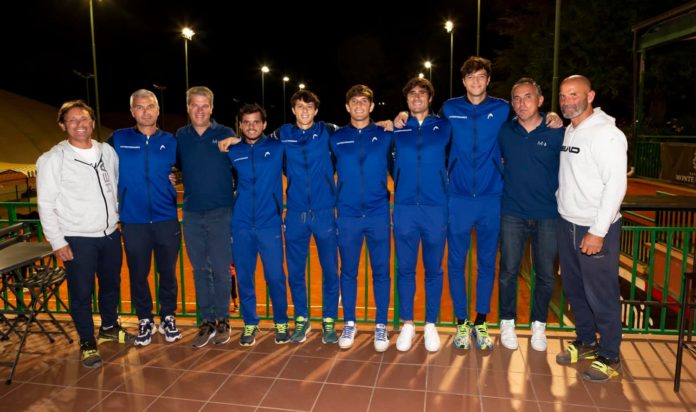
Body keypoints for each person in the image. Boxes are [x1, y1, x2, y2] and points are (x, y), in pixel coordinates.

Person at [396, 56, 561, 351]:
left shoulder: (502, 108)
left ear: (488, 80)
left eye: (481, 76)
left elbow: (526, 116)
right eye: (470, 77)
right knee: (456, 263)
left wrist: (551, 115)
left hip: (491, 198)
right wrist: (399, 116)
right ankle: (462, 322)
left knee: (487, 264)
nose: (476, 82)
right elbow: (425, 124)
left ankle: (481, 321)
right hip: (457, 199)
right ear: (463, 81)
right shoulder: (450, 109)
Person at [37, 100, 134, 369]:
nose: (80, 124)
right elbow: (45, 204)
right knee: (81, 292)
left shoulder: (107, 152)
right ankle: (87, 341)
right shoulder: (53, 159)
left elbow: (116, 183)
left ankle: (109, 327)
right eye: (73, 120)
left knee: (111, 286)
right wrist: (57, 241)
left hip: (110, 234)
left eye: (84, 119)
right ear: (63, 126)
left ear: (92, 122)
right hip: (77, 238)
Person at [555, 75, 627, 382]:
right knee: (574, 290)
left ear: (591, 96)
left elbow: (616, 185)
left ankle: (610, 355)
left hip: (595, 228)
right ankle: (585, 340)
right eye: (563, 95)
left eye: (574, 94)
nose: (567, 100)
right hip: (567, 223)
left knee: (602, 294)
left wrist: (598, 231)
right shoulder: (570, 129)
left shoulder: (607, 134)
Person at [108, 89, 182, 347]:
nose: (145, 111)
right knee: (138, 274)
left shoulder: (171, 141)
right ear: (132, 112)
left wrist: (174, 179)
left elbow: (193, 167)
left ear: (158, 110)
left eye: (150, 106)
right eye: (139, 107)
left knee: (167, 273)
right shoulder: (118, 139)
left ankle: (168, 316)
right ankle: (144, 319)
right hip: (133, 220)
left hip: (166, 219)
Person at [497, 78, 564, 351]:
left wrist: (555, 117)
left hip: (548, 214)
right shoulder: (505, 132)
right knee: (508, 272)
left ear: (540, 100)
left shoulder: (557, 132)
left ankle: (539, 325)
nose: (521, 103)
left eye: (527, 97)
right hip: (512, 212)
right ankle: (507, 323)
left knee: (545, 274)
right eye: (516, 98)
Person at [272, 90, 340, 344]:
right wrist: (233, 141)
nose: (304, 111)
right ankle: (302, 319)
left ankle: (329, 320)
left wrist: (385, 122)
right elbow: (255, 139)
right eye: (300, 106)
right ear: (293, 110)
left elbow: (358, 129)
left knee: (330, 270)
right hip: (296, 213)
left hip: (324, 212)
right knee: (295, 272)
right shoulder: (283, 133)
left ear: (316, 111)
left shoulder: (328, 130)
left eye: (309, 107)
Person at [330, 85, 393, 352]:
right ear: (347, 107)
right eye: (354, 101)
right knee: (348, 271)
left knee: (381, 271)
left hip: (378, 213)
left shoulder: (385, 134)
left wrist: (398, 117)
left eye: (363, 101)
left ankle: (381, 325)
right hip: (348, 214)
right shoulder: (336, 138)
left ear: (371, 106)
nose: (359, 105)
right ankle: (350, 322)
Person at [392, 78, 451, 353]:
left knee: (433, 269)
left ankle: (430, 324)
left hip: (435, 208)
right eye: (412, 94)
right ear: (406, 100)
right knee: (405, 268)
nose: (417, 97)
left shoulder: (445, 126)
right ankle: (407, 323)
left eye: (422, 93)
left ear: (430, 98)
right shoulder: (396, 128)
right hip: (404, 208)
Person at [176, 86, 235, 348]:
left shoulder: (226, 133)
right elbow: (170, 164)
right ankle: (207, 321)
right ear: (188, 107)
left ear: (211, 108)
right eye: (194, 105)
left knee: (221, 270)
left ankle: (223, 320)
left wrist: (237, 142)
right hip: (191, 212)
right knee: (200, 270)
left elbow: (250, 152)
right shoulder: (181, 136)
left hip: (221, 211)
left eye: (204, 105)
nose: (199, 110)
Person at [226, 103, 289, 346]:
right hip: (241, 224)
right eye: (246, 122)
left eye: (256, 122)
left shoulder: (278, 147)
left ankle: (281, 322)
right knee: (244, 277)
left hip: (269, 223)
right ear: (240, 125)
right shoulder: (232, 151)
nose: (251, 127)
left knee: (275, 276)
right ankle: (250, 323)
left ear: (264, 125)